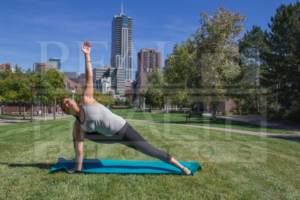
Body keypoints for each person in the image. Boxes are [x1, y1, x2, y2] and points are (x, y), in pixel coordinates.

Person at [61, 40, 191, 175]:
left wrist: (87, 55)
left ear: (73, 101)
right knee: (76, 133)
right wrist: (77, 165)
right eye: (64, 104)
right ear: (66, 112)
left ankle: (181, 167)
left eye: (67, 100)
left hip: (122, 129)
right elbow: (79, 147)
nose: (67, 102)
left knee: (149, 150)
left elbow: (90, 77)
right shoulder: (77, 125)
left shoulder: (86, 100)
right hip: (108, 137)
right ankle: (79, 165)